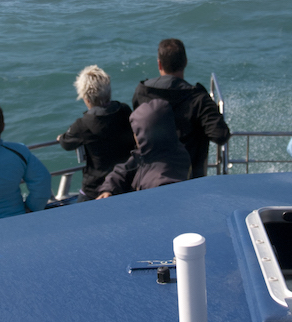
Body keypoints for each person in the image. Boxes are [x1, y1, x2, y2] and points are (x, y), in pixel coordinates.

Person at [132, 38, 230, 178]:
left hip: (150, 179)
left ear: (159, 64)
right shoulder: (198, 98)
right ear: (185, 63)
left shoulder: (142, 93)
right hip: (189, 180)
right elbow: (220, 135)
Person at [57, 65, 136, 201]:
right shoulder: (124, 110)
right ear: (109, 92)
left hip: (96, 189)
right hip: (126, 182)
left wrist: (61, 138)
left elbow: (66, 144)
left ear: (85, 98)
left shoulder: (82, 125)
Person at [96, 100, 191, 197]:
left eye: (137, 132)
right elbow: (125, 169)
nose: (134, 136)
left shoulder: (161, 182)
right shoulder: (163, 149)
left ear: (146, 135)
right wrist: (109, 189)